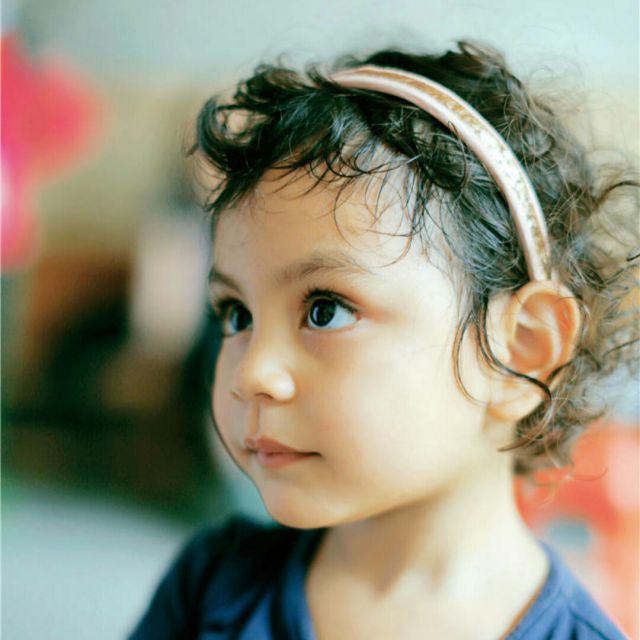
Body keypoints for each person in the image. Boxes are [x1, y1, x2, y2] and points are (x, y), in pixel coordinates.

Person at [128, 40, 638, 639]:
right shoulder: (210, 585)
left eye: (324, 311)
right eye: (237, 315)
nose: (250, 373)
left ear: (521, 349)